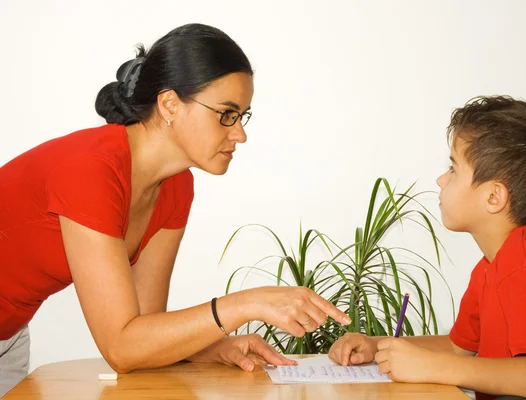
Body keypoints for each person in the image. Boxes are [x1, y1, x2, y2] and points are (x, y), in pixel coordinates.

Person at [0, 23, 350, 397]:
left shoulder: (175, 185)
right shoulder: (92, 170)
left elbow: (143, 330)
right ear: (169, 104)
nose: (240, 133)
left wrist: (207, 350)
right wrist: (247, 303)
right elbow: (121, 347)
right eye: (226, 113)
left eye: (242, 116)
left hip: (8, 341)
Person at [328, 96, 526, 399]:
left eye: (453, 169)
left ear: (494, 197)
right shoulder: (493, 265)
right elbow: (460, 347)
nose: (441, 179)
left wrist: (432, 367)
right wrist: (376, 346)